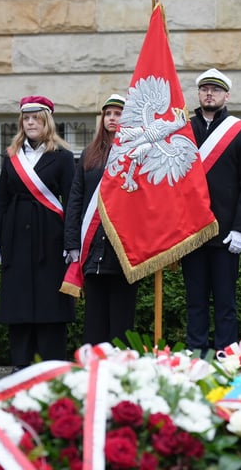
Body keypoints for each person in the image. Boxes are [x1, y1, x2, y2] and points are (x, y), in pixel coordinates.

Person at [0, 96, 75, 371]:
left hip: (50, 235)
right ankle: (21, 360)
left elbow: (72, 200)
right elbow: (1, 200)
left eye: (36, 118)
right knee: (19, 298)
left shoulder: (63, 157)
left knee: (50, 298)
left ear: (46, 121)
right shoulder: (12, 156)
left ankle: (51, 360)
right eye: (26, 118)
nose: (30, 123)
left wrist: (70, 241)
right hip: (15, 233)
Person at [181, 69, 241, 353]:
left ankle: (227, 355)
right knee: (195, 300)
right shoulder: (183, 130)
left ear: (227, 96)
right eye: (204, 89)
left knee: (225, 301)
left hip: (226, 232)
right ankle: (197, 353)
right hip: (191, 231)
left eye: (215, 90)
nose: (209, 94)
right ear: (198, 94)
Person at [64, 94, 139, 345]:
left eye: (118, 114)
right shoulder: (89, 154)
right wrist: (72, 243)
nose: (112, 118)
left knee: (121, 320)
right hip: (92, 248)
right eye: (108, 114)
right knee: (94, 321)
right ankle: (93, 363)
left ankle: (120, 364)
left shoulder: (137, 154)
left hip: (123, 250)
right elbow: (75, 200)